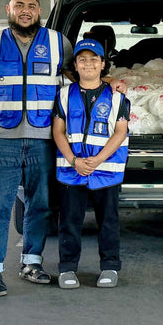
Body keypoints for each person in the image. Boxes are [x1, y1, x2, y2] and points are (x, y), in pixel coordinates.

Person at [0, 0, 72, 297]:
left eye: (31, 5)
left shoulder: (59, 43)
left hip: (44, 138)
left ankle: (32, 263)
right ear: (9, 9)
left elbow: (83, 77)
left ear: (39, 11)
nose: (25, 10)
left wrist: (112, 82)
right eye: (19, 5)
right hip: (3, 138)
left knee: (40, 205)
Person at [52, 39, 130, 289]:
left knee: (108, 221)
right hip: (72, 171)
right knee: (70, 221)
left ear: (103, 64)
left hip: (105, 171)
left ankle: (109, 267)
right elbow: (58, 131)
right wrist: (74, 161)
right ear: (74, 64)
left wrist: (97, 160)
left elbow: (120, 132)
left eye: (94, 59)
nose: (88, 64)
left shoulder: (117, 97)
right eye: (82, 59)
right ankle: (67, 269)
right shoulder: (64, 95)